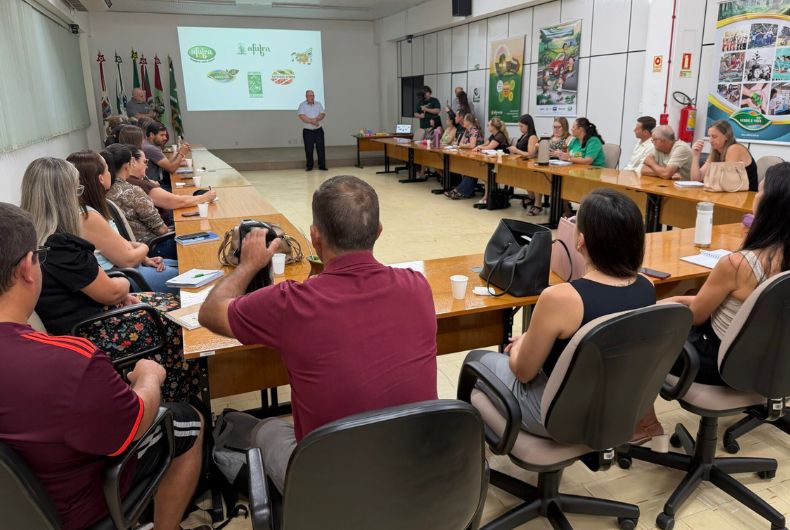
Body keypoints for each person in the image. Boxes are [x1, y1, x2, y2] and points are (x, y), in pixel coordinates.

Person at [198, 175, 438, 493]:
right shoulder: (418, 286)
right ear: (379, 231)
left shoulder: (291, 303)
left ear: (314, 237)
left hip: (331, 488)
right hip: (415, 473)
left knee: (267, 430)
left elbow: (210, 312)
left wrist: (248, 265)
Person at [0, 202, 203, 530]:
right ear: (27, 267)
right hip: (81, 505)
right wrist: (148, 378)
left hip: (17, 512)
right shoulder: (70, 360)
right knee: (189, 421)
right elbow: (135, 423)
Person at [465, 189, 660, 442]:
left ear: (580, 241)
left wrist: (521, 345)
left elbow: (523, 372)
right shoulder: (647, 286)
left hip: (559, 418)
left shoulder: (560, 298)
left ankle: (467, 450)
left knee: (476, 360)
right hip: (615, 409)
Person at [19, 157, 203, 402]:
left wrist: (116, 291)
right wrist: (122, 287)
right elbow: (111, 292)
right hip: (89, 332)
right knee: (177, 320)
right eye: (76, 190)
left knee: (173, 306)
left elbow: (98, 287)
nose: (79, 198)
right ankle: (177, 398)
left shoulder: (33, 240)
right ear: (64, 197)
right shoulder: (61, 245)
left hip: (80, 324)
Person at [665, 163, 790, 385]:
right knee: (689, 295)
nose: (755, 195)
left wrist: (673, 302)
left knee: (643, 341)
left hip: (721, 364)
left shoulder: (737, 264)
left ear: (770, 203)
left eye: (760, 190)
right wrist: (683, 299)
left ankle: (640, 410)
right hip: (774, 367)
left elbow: (696, 316)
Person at [67, 149, 179, 294]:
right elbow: (127, 261)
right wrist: (143, 248)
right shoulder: (87, 217)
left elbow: (116, 244)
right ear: (101, 178)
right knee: (184, 276)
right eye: (107, 170)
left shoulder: (91, 208)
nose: (110, 173)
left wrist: (144, 258)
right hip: (123, 278)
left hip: (128, 269)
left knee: (181, 268)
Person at [105, 144, 178, 260]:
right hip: (152, 248)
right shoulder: (133, 191)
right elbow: (162, 230)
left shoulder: (104, 191)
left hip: (128, 250)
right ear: (128, 165)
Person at [128, 146, 217, 210]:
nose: (147, 166)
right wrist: (205, 197)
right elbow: (179, 202)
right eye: (145, 162)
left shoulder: (128, 181)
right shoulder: (139, 184)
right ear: (133, 162)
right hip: (167, 224)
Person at [690, 119, 759, 191]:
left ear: (726, 136)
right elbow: (696, 180)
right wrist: (696, 155)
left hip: (747, 194)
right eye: (709, 136)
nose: (710, 140)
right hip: (729, 194)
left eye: (714, 136)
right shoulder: (715, 151)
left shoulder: (734, 149)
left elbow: (726, 182)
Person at [507, 114, 541, 214]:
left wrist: (516, 150)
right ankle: (531, 197)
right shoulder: (524, 135)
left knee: (534, 182)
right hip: (523, 164)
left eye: (522, 126)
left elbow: (530, 154)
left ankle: (537, 203)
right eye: (519, 126)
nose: (520, 128)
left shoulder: (532, 137)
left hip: (531, 165)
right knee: (526, 181)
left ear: (528, 125)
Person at [444, 114, 483, 200]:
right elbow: (460, 143)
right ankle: (465, 190)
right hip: (469, 154)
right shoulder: (467, 130)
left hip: (477, 156)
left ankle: (459, 191)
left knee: (470, 171)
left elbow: (472, 145)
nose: (463, 122)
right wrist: (464, 145)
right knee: (465, 169)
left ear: (469, 121)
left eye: (464, 120)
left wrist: (464, 145)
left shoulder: (474, 130)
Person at [145, 122, 189, 187]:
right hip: (154, 186)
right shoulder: (151, 149)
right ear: (151, 134)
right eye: (162, 135)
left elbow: (165, 166)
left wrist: (174, 157)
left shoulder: (148, 144)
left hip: (156, 182)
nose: (165, 138)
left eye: (165, 135)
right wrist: (181, 154)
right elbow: (171, 169)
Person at [297, 89, 327, 171]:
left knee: (321, 148)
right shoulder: (302, 105)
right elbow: (302, 116)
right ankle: (309, 166)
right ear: (306, 97)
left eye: (313, 95)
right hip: (308, 131)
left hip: (318, 130)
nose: (312, 97)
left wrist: (316, 119)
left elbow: (322, 114)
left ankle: (322, 166)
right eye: (310, 96)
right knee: (309, 149)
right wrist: (312, 121)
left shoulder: (318, 104)